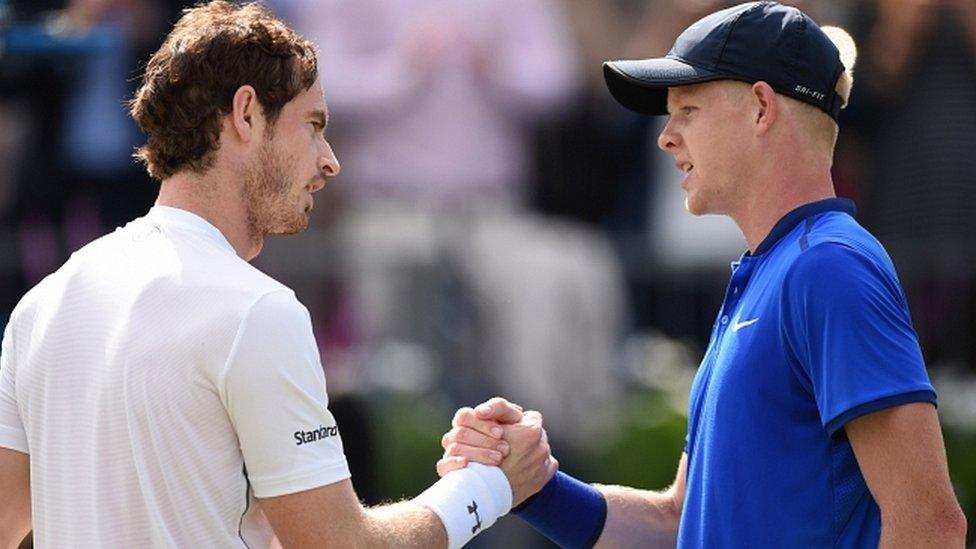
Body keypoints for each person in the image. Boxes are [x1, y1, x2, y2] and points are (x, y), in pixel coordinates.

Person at [0, 2, 556, 547]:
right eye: (313, 126)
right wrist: (488, 486)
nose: (330, 160)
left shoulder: (43, 305)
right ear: (246, 114)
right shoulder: (258, 312)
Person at [440, 2, 968, 547]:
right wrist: (533, 486)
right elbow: (679, 521)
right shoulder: (778, 269)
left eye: (687, 109)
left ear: (761, 108)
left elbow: (932, 526)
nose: (666, 137)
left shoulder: (830, 269)